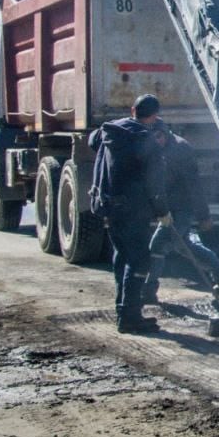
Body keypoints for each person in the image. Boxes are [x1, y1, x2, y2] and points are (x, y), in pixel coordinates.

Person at [89, 93, 170, 334]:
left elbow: (92, 141)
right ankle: (130, 317)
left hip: (109, 207)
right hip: (134, 210)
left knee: (122, 256)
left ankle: (122, 310)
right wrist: (163, 211)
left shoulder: (108, 132)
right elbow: (155, 182)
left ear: (133, 110)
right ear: (154, 116)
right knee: (139, 261)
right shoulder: (145, 140)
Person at [142, 134, 219, 304]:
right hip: (169, 207)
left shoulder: (180, 149)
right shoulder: (159, 148)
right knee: (184, 245)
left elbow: (194, 185)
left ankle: (148, 291)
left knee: (158, 244)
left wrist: (203, 216)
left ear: (163, 135)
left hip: (181, 208)